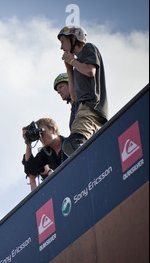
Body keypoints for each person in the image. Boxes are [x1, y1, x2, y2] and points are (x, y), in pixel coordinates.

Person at [58, 26, 108, 156]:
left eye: (63, 41)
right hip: (82, 108)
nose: (61, 47)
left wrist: (72, 61)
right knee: (84, 148)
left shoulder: (88, 48)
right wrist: (69, 68)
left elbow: (90, 71)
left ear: (73, 38)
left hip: (90, 107)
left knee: (73, 144)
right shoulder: (76, 64)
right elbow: (73, 97)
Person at [22, 118, 68, 190]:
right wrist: (28, 142)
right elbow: (30, 169)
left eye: (42, 132)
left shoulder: (70, 143)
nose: (41, 137)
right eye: (39, 135)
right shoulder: (46, 152)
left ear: (53, 130)